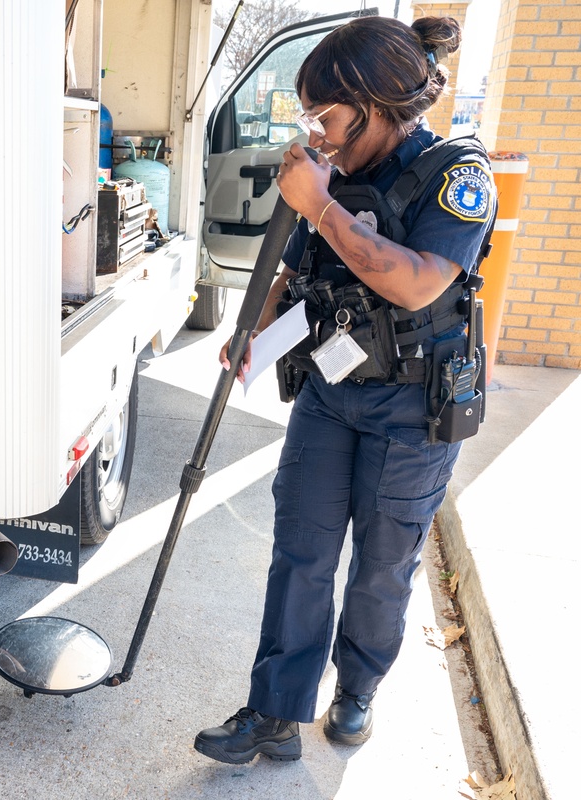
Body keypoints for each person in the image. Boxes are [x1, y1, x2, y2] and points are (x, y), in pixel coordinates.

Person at [194, 14, 496, 764]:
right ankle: (273, 711)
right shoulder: (332, 176)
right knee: (300, 551)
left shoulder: (456, 175)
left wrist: (320, 206)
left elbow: (420, 282)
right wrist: (250, 335)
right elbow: (292, 273)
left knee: (381, 564)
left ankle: (356, 689)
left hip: (412, 409)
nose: (316, 131)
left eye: (326, 114)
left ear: (376, 103)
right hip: (332, 393)